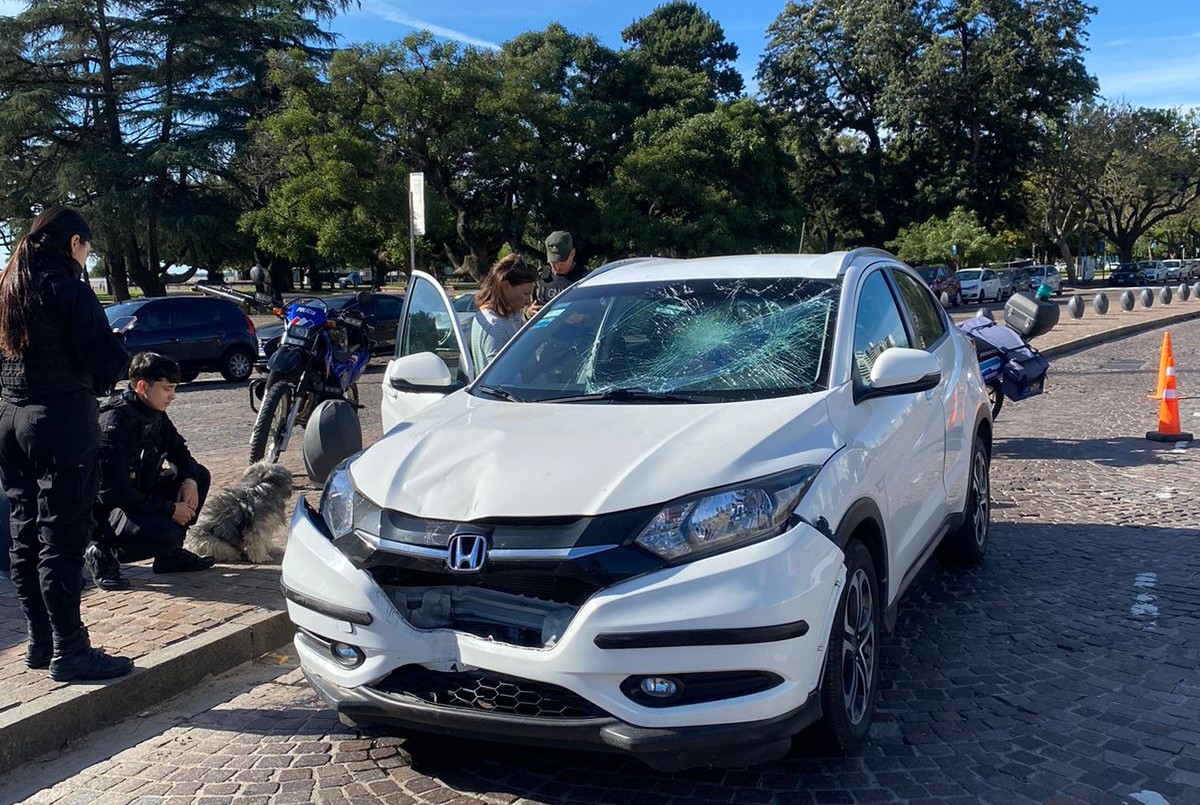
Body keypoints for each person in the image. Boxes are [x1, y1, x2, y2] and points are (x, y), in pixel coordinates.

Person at [0, 206, 132, 682]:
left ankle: (40, 639)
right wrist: (118, 351)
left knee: (25, 531)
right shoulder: (67, 287)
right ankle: (70, 649)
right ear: (75, 243)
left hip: (11, 419)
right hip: (59, 420)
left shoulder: (9, 287)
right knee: (62, 536)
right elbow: (105, 364)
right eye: (88, 248)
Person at [89, 351, 214, 590]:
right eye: (167, 389)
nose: (172, 396)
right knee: (166, 533)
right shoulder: (114, 423)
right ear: (142, 386)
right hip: (108, 510)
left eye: (174, 388)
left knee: (199, 474)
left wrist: (189, 479)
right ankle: (101, 553)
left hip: (137, 494)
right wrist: (170, 510)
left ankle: (170, 557)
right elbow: (112, 493)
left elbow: (178, 449)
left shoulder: (152, 412)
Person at [470, 254, 538, 370]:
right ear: (505, 286)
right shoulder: (494, 325)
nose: (529, 301)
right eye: (525, 294)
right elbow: (501, 376)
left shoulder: (507, 316)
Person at [528, 230, 588, 316]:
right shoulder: (540, 278)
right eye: (553, 261)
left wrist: (583, 320)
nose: (557, 265)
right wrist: (529, 312)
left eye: (561, 261)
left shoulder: (585, 279)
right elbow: (520, 312)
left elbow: (599, 314)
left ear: (572, 254)